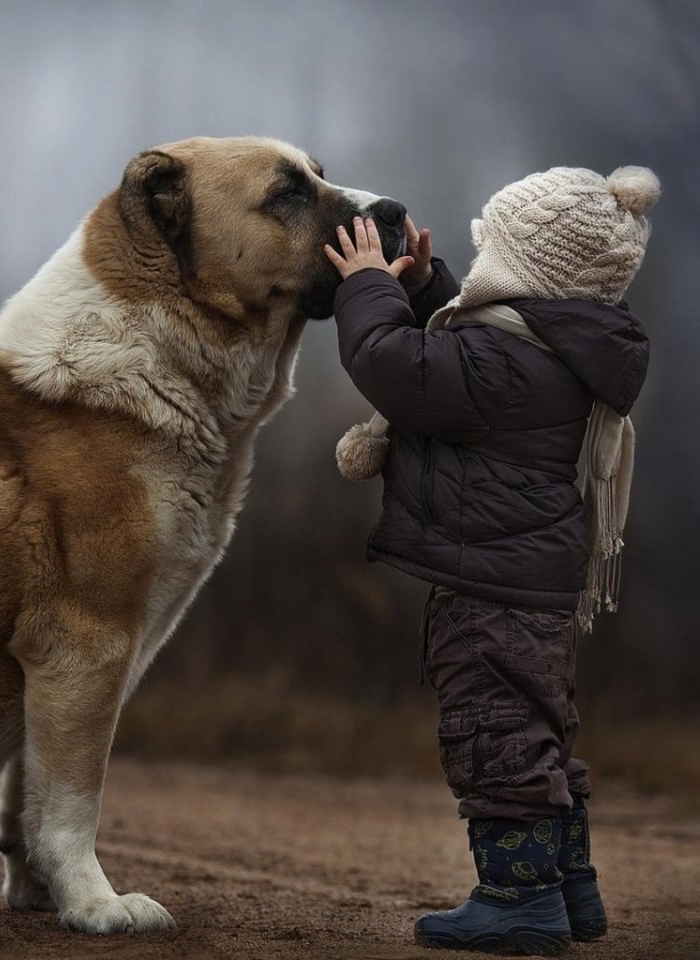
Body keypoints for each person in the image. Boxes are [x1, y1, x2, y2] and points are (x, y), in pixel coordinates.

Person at [322, 165, 659, 955]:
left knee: (494, 734)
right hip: (532, 584)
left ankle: (518, 900)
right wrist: (422, 285)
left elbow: (394, 364)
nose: (478, 268)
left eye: (490, 251)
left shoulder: (504, 367)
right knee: (539, 732)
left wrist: (367, 288)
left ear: (527, 270)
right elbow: (458, 350)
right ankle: (570, 889)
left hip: (491, 590)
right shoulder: (551, 348)